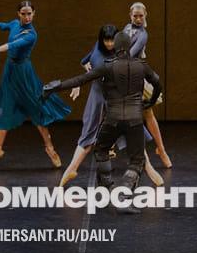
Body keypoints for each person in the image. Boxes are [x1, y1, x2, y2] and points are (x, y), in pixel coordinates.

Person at [44, 32, 161, 215]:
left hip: (112, 119)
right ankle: (123, 197)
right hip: (134, 120)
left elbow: (80, 80)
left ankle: (108, 187)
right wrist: (151, 101)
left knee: (101, 150)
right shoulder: (141, 66)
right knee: (137, 161)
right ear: (129, 47)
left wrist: (55, 86)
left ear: (116, 47)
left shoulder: (108, 66)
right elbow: (157, 84)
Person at [0, 0, 71, 170]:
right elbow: (5, 25)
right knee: (6, 106)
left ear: (34, 13)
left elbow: (14, 44)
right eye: (23, 14)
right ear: (18, 14)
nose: (27, 17)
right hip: (10, 72)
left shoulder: (32, 34)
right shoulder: (15, 23)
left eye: (29, 13)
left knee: (35, 107)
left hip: (24, 74)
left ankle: (49, 148)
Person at [123, 2, 173, 168]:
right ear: (130, 15)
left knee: (148, 113)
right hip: (123, 73)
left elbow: (131, 53)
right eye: (135, 16)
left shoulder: (143, 34)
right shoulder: (126, 28)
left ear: (145, 16)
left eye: (141, 16)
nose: (138, 19)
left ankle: (161, 149)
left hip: (135, 73)